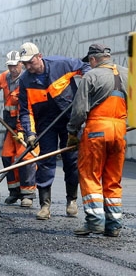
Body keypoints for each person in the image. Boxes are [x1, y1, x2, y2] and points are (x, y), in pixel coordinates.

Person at [18, 42, 91, 219]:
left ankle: (71, 201)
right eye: (25, 63)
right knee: (45, 161)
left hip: (69, 120)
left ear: (39, 56)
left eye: (30, 62)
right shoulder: (25, 79)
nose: (28, 67)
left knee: (71, 161)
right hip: (45, 123)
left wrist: (85, 86)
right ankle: (45, 205)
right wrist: (30, 133)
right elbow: (25, 110)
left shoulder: (61, 64)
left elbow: (86, 67)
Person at [66, 44, 128, 237]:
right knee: (112, 179)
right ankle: (113, 224)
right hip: (120, 131)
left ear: (93, 59)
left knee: (90, 174)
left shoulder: (91, 76)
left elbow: (78, 111)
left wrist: (72, 133)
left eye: (89, 62)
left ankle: (94, 222)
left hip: (97, 131)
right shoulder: (127, 74)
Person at [0, 51, 39, 207]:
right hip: (9, 124)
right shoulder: (4, 77)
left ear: (21, 64)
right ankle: (14, 191)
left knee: (25, 158)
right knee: (7, 156)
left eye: (15, 66)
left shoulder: (27, 81)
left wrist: (22, 130)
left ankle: (28, 194)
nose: (12, 69)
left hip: (24, 123)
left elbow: (26, 109)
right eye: (10, 66)